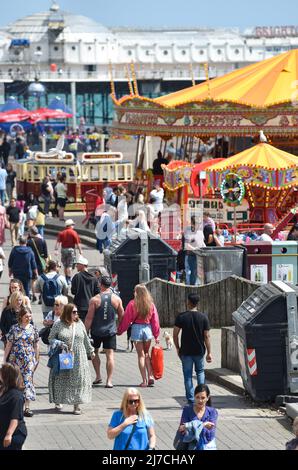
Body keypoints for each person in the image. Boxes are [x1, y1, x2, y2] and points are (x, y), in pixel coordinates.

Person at [48, 303, 95, 415]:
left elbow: (85, 339)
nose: (76, 314)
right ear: (67, 312)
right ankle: (58, 400)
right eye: (74, 312)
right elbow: (51, 338)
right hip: (64, 354)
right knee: (61, 378)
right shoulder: (59, 324)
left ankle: (76, 405)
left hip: (79, 356)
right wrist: (60, 343)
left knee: (78, 379)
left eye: (77, 312)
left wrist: (91, 351)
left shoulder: (79, 323)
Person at [85, 276, 124, 388]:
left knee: (94, 353)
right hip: (110, 331)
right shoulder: (117, 299)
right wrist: (119, 327)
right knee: (110, 355)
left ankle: (98, 376)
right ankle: (109, 381)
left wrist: (85, 331)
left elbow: (89, 318)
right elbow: (122, 314)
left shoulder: (94, 300)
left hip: (96, 331)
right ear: (110, 285)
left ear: (100, 284)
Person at [117, 284, 160, 387]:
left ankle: (144, 381)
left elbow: (126, 319)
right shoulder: (151, 304)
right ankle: (150, 376)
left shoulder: (132, 304)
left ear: (136, 292)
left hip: (136, 329)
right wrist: (156, 335)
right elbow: (155, 321)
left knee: (140, 356)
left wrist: (120, 330)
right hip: (147, 329)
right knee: (146, 354)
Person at [173, 294, 212, 404]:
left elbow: (175, 334)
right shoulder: (203, 317)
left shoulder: (181, 317)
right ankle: (202, 396)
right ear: (197, 303)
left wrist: (177, 347)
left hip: (185, 351)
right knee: (200, 372)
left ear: (188, 302)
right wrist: (209, 352)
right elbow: (206, 336)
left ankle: (191, 400)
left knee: (188, 376)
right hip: (199, 350)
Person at [3, 306, 40, 418]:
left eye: (30, 316)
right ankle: (14, 405)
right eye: (26, 316)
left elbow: (36, 344)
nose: (28, 318)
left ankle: (27, 407)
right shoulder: (14, 328)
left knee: (27, 381)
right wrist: (4, 359)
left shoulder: (33, 329)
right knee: (15, 381)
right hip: (15, 359)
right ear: (21, 317)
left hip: (28, 359)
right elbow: (9, 344)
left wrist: (37, 358)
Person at [178, 384, 218, 450]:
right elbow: (182, 431)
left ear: (207, 398)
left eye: (203, 398)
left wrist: (191, 426)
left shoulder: (212, 412)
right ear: (194, 397)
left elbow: (210, 435)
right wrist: (203, 425)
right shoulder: (187, 410)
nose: (200, 400)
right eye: (197, 397)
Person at [0, 364, 27, 450]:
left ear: (6, 376)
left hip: (13, 434)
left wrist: (8, 435)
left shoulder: (16, 396)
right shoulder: (3, 388)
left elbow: (15, 418)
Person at [71, 255, 100, 321]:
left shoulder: (77, 277)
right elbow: (97, 293)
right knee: (89, 325)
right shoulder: (94, 278)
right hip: (91, 306)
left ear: (83, 265)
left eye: (78, 264)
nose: (76, 266)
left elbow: (73, 292)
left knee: (79, 326)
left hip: (79, 306)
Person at [54, 219, 82, 283]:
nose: (73, 226)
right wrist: (80, 251)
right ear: (70, 225)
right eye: (73, 225)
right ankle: (69, 279)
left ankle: (66, 277)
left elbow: (58, 242)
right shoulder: (73, 232)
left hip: (63, 250)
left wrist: (56, 250)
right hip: (71, 250)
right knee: (70, 265)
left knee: (65, 265)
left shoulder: (62, 233)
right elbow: (78, 243)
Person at [183, 216, 205, 285]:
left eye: (200, 223)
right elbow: (186, 245)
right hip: (191, 256)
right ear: (192, 224)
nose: (199, 225)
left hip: (200, 256)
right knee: (191, 274)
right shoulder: (188, 231)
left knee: (199, 274)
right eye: (197, 224)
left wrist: (205, 248)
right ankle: (190, 288)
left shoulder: (200, 231)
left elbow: (202, 242)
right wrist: (195, 249)